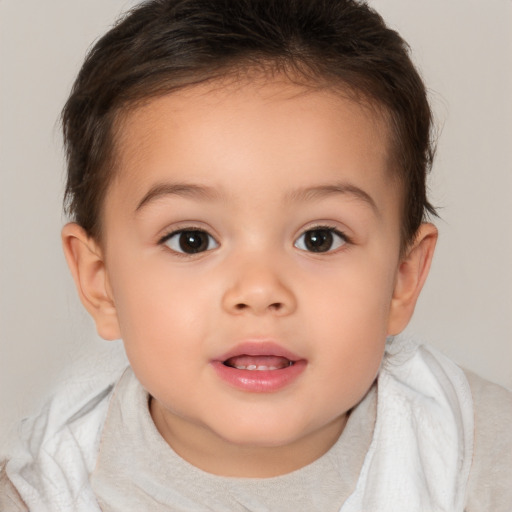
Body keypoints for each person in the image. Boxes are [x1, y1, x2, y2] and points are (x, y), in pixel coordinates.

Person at [1, 0, 510, 510]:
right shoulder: (45, 487)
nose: (260, 290)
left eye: (320, 238)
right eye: (191, 240)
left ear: (403, 276)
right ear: (101, 282)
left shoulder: (478, 457)